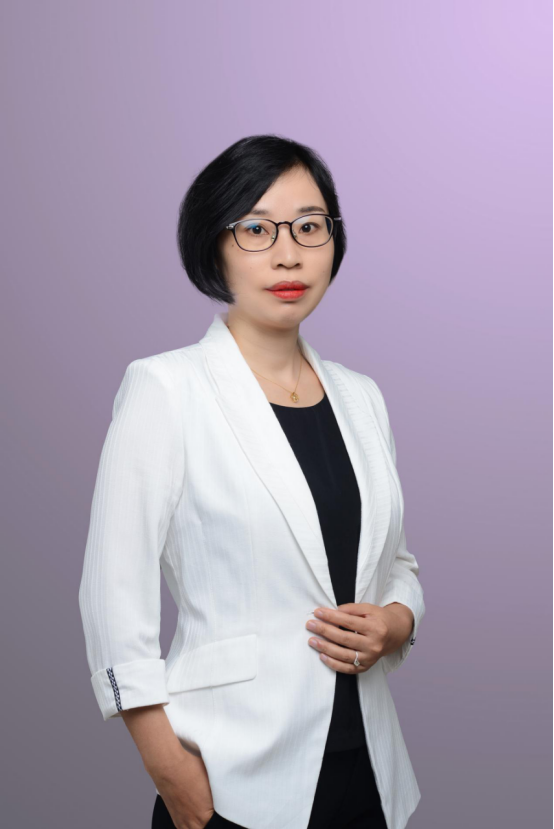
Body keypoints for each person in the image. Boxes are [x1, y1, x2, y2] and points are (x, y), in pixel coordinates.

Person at [78, 134, 425, 829]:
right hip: (230, 777)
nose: (288, 254)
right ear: (215, 247)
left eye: (309, 227)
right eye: (257, 229)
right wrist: (168, 768)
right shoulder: (165, 388)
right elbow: (112, 594)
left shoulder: (361, 397)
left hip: (370, 771)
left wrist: (397, 621)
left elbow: (397, 564)